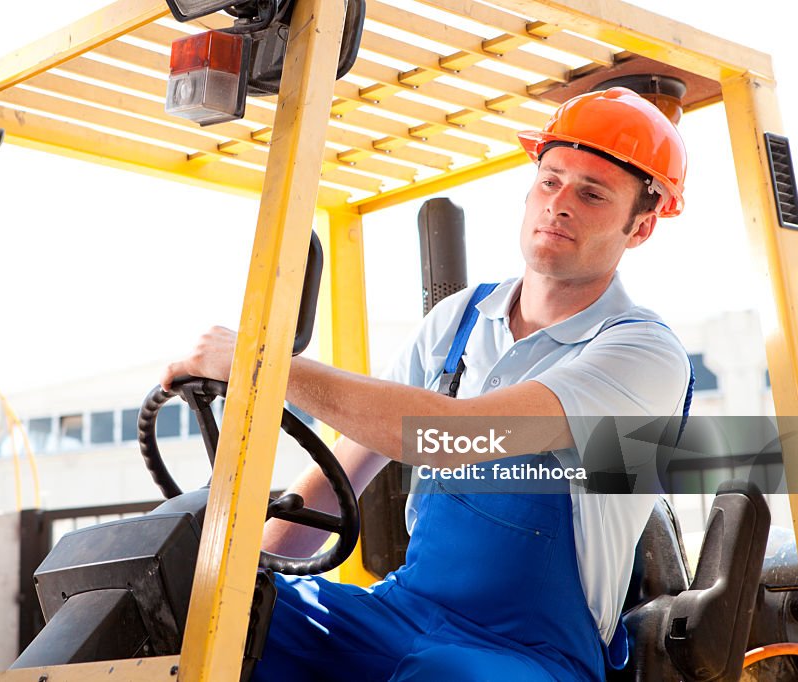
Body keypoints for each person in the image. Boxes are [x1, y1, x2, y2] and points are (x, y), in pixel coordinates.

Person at [161, 87, 692, 682]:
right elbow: (344, 473)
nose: (559, 204)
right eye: (549, 180)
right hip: (401, 612)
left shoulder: (641, 351)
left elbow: (449, 436)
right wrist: (239, 575)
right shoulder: (459, 320)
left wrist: (262, 367)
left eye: (592, 194)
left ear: (640, 227)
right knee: (206, 617)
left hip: (529, 653)